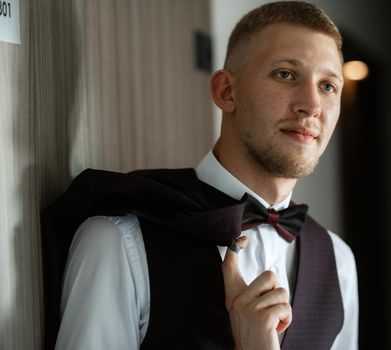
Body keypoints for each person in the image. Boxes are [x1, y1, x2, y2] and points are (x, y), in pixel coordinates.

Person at [46, 1, 358, 349]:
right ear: (226, 91)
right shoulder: (118, 240)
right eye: (285, 74)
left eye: (328, 86)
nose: (311, 105)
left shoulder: (338, 261)